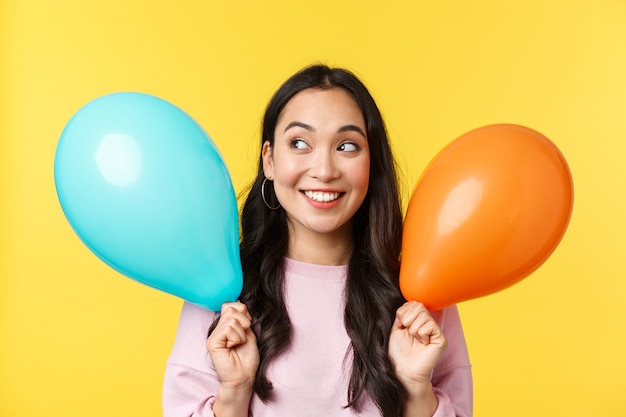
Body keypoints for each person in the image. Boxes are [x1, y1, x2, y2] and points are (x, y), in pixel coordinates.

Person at [162, 64, 473, 417]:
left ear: (372, 162)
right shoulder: (220, 291)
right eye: (299, 143)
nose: (324, 170)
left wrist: (416, 389)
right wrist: (234, 392)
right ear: (269, 160)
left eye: (347, 145)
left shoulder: (420, 301)